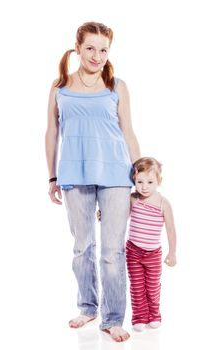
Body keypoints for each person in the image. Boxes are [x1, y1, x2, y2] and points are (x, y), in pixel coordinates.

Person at [45, 21, 140, 342]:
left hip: (116, 175)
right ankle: (88, 306)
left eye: (103, 50)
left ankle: (113, 319)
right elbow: (51, 133)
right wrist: (52, 176)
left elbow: (128, 132)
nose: (97, 56)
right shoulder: (60, 86)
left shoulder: (117, 87)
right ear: (77, 48)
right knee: (82, 247)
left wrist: (139, 178)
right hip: (74, 174)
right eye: (90, 48)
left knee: (112, 251)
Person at [97, 157, 177, 332]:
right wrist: (105, 215)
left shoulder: (164, 204)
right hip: (133, 251)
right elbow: (119, 215)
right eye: (140, 181)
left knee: (153, 286)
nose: (144, 186)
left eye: (150, 182)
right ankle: (139, 316)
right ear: (134, 180)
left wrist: (172, 253)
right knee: (137, 286)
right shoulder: (134, 199)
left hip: (153, 254)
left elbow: (171, 230)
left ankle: (154, 314)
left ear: (159, 181)